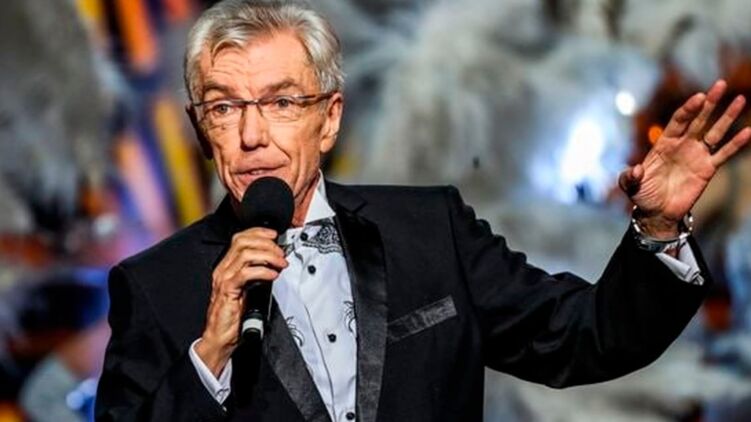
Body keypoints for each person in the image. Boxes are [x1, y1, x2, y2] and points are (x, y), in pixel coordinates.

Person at [94, 1, 751, 421]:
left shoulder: (429, 229)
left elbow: (587, 337)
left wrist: (657, 228)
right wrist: (209, 355)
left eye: (282, 103)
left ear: (329, 120)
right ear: (200, 129)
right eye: (224, 107)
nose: (251, 135)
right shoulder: (154, 284)